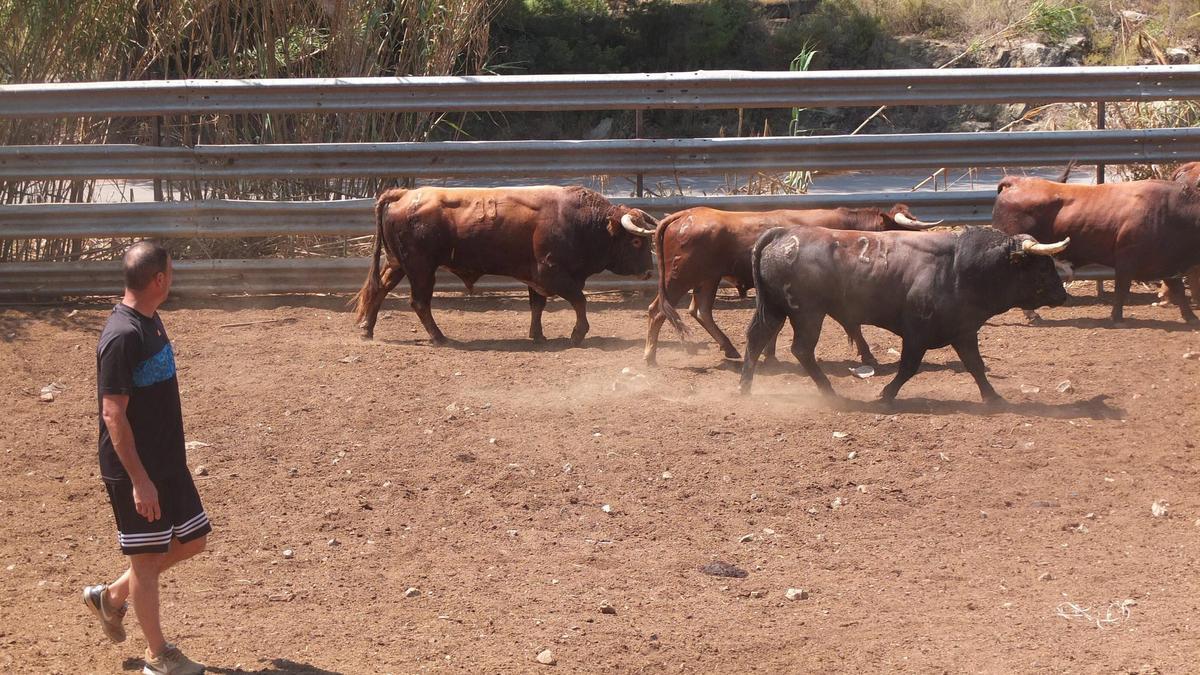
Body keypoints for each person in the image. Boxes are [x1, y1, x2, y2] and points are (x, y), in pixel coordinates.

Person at [83, 241, 210, 675]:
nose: (172, 278)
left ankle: (113, 597)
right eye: (171, 272)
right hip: (135, 470)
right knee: (146, 562)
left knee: (193, 540)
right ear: (159, 280)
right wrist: (139, 479)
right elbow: (112, 413)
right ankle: (159, 658)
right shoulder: (122, 335)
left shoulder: (150, 322)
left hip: (167, 462)